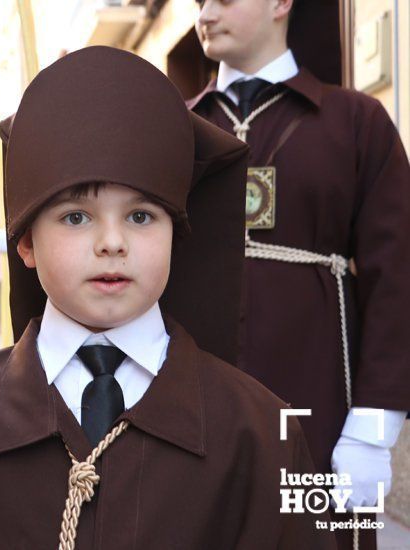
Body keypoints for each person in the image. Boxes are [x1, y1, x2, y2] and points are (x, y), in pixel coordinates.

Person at [0, 47, 333, 548]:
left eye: (141, 216)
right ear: (25, 244)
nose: (112, 242)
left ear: (176, 235)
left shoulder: (259, 431)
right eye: (76, 217)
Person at [191, 2, 410, 547]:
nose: (206, 11)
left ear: (280, 3)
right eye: (197, 2)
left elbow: (399, 275)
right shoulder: (177, 128)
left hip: (323, 402)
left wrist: (374, 429)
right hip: (197, 407)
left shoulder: (355, 120)